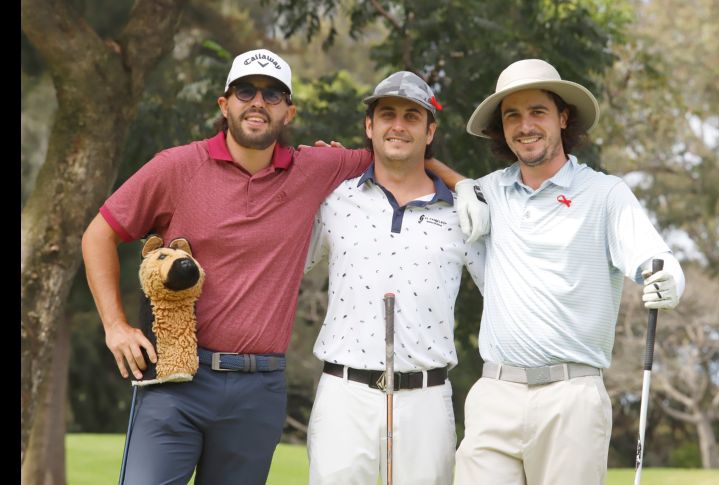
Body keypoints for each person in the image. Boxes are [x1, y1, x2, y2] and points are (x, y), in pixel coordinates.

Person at [80, 49, 485, 485]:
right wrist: (115, 326)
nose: (258, 102)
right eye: (245, 91)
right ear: (224, 104)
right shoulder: (176, 166)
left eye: (272, 94)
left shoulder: (317, 169)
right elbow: (98, 235)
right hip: (177, 375)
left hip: (258, 388)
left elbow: (399, 155)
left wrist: (463, 186)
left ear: (288, 112)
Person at [452, 58, 686, 485]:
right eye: (512, 115)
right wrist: (462, 185)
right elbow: (414, 168)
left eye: (537, 112)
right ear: (501, 128)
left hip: (572, 397)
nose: (525, 125)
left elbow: (656, 258)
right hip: (494, 394)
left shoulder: (605, 193)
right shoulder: (489, 192)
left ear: (563, 118)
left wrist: (670, 279)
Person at [303, 71, 485, 485]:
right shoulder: (335, 199)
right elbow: (283, 267)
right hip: (344, 395)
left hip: (426, 399)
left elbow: (502, 289)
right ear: (370, 126)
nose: (398, 126)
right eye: (387, 115)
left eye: (411, 116)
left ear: (429, 131)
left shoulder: (462, 211)